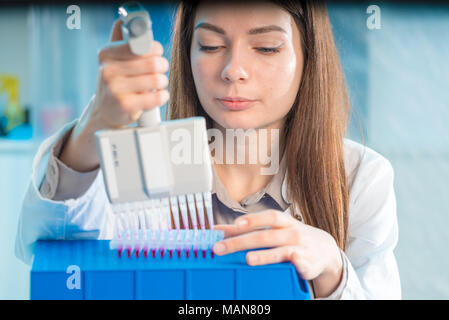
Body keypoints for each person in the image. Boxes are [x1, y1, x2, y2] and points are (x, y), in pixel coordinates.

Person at [15, 0, 401, 299]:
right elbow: (51, 258)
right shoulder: (140, 165)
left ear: (308, 59)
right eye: (211, 45)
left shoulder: (360, 177)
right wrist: (94, 124)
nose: (233, 69)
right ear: (188, 53)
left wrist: (333, 270)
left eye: (266, 48)